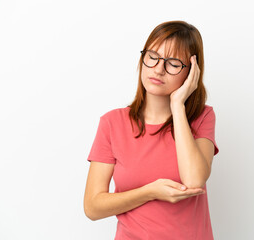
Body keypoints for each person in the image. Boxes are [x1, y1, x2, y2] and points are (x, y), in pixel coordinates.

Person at [84, 20, 219, 240]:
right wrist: (150, 192)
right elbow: (92, 207)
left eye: (173, 63)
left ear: (191, 71)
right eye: (153, 57)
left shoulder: (202, 117)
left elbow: (194, 179)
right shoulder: (112, 123)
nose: (158, 69)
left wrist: (177, 106)